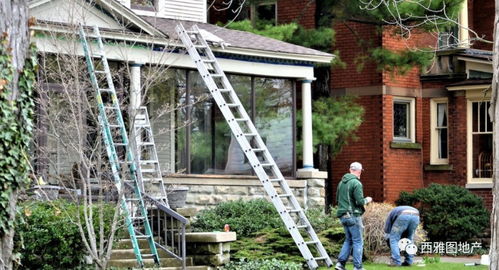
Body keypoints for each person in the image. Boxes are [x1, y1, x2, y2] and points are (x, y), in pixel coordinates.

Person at [335, 162, 372, 270]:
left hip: (342, 215)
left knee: (348, 240)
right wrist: (368, 200)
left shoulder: (341, 183)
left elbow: (337, 199)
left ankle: (340, 264)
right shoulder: (356, 183)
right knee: (358, 241)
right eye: (361, 171)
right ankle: (358, 267)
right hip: (353, 216)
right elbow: (360, 201)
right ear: (359, 171)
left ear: (350, 169)